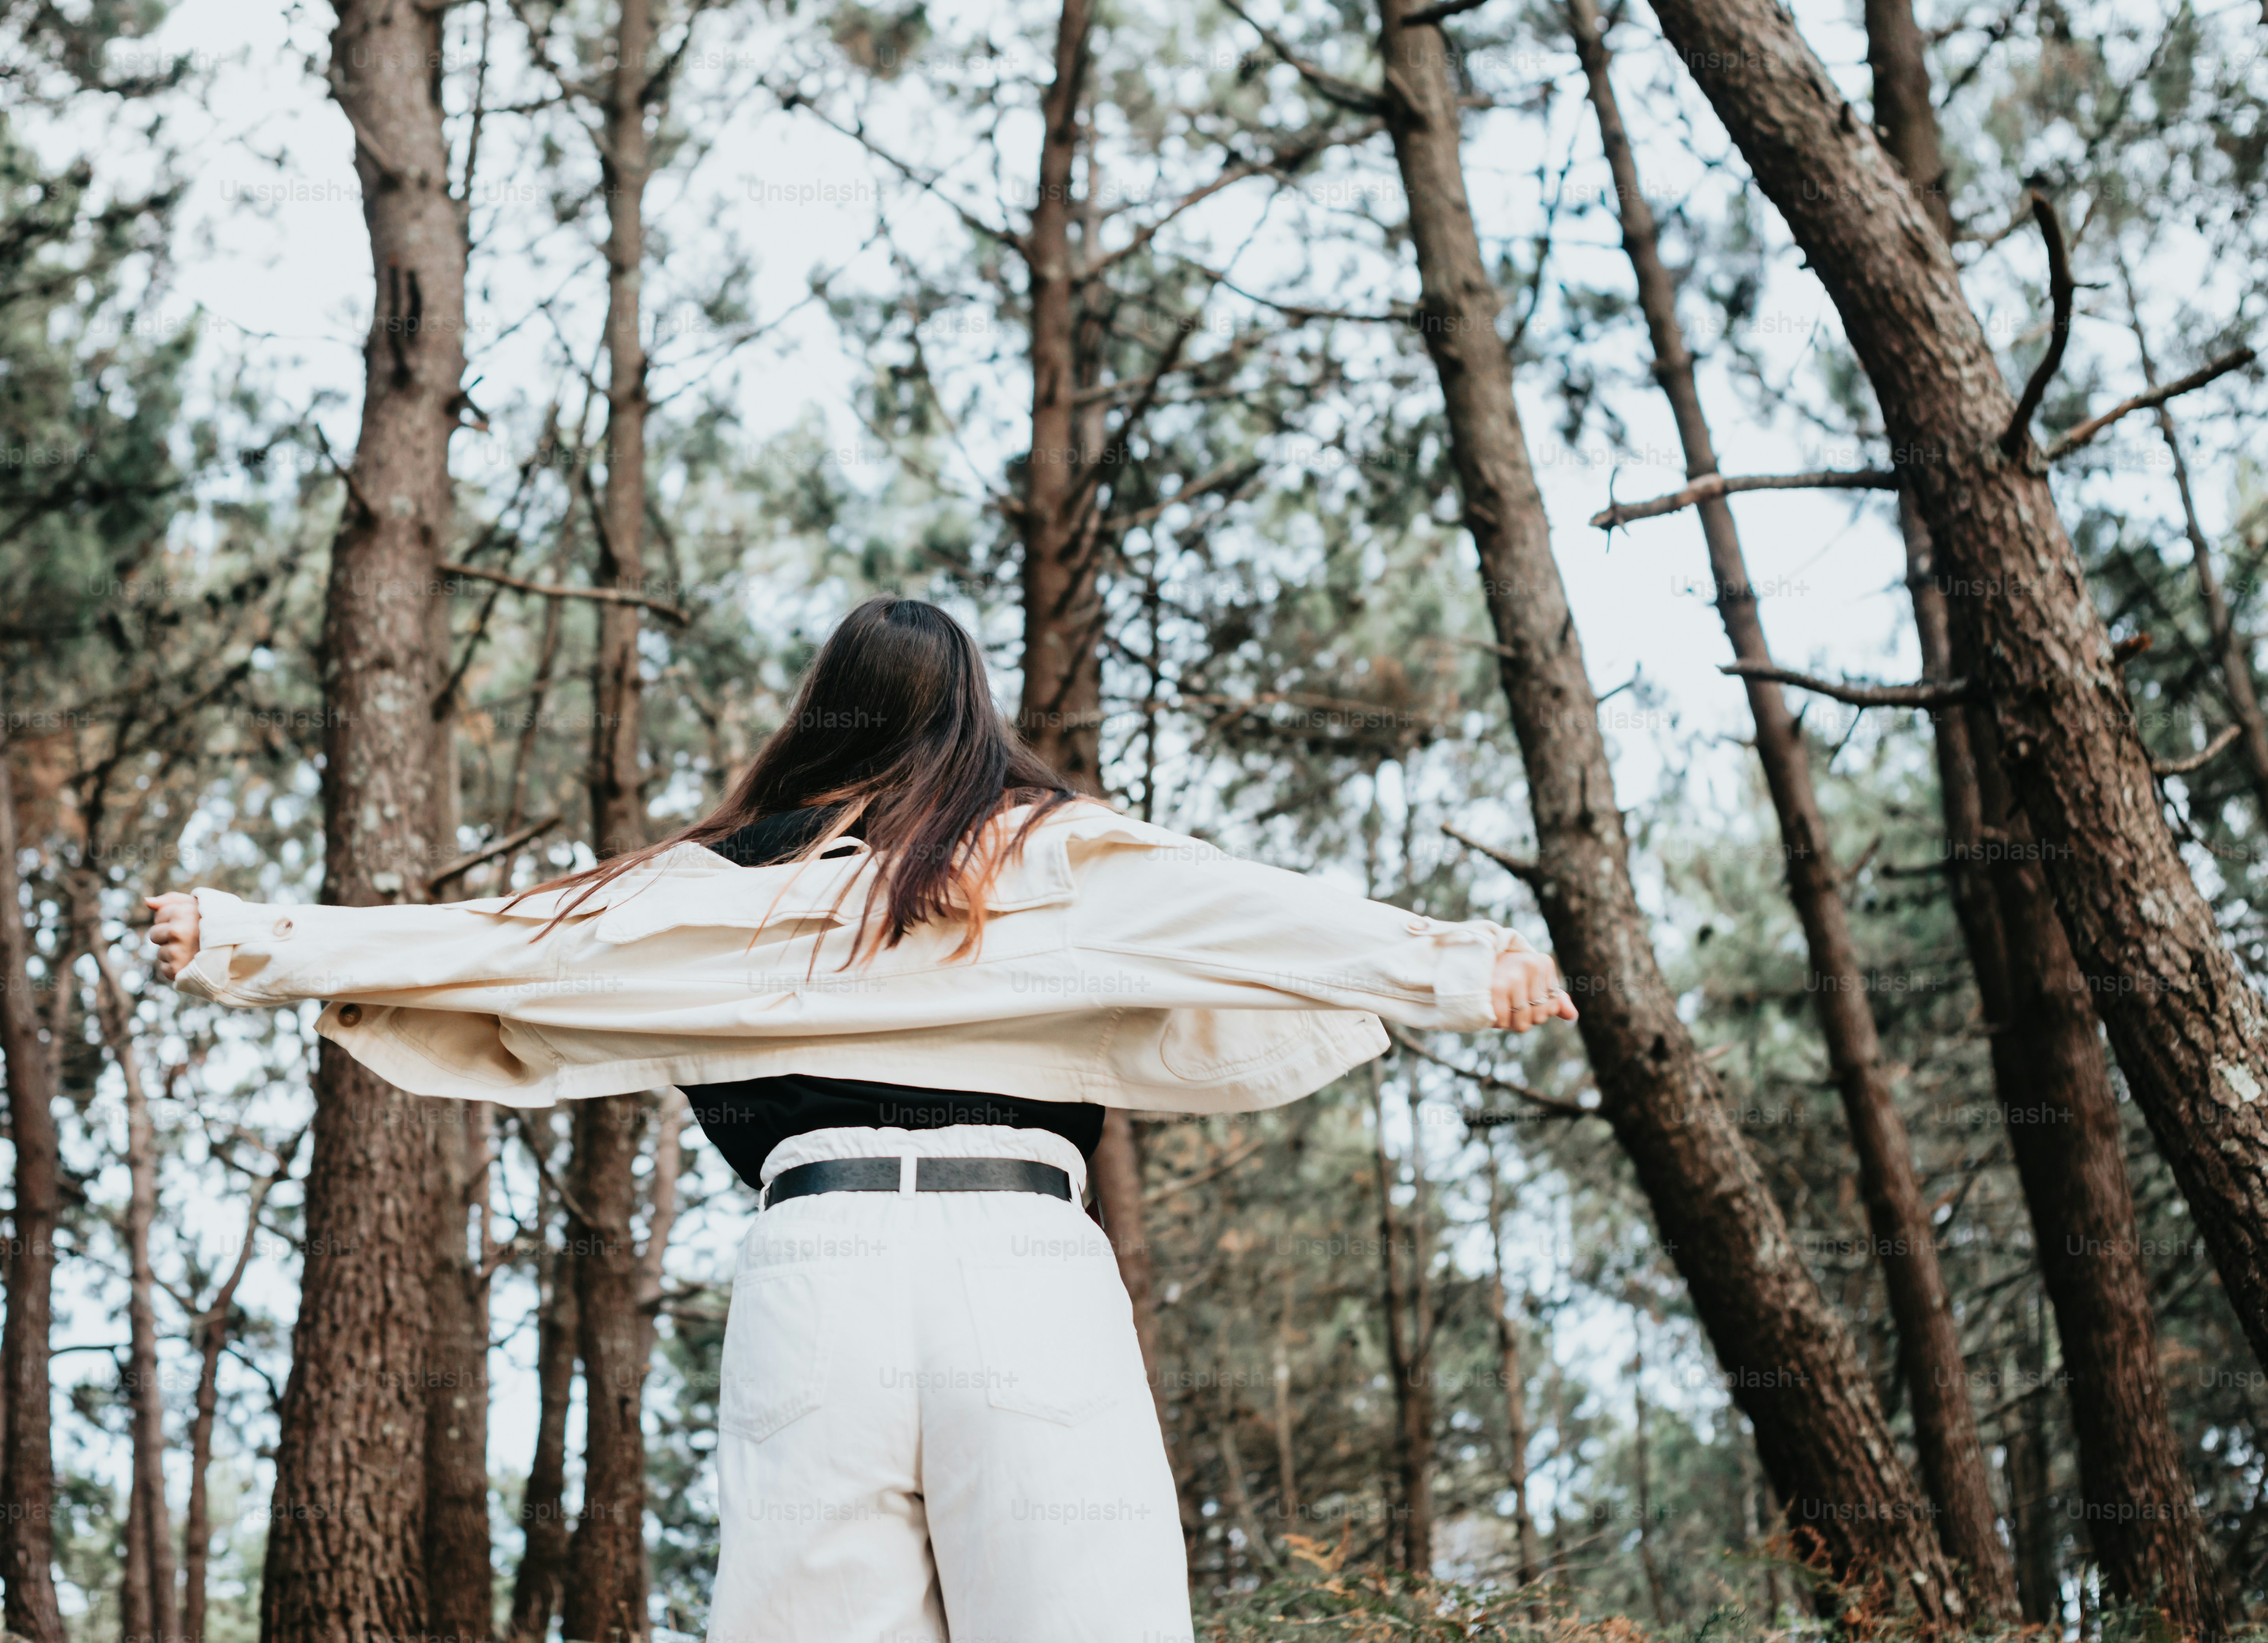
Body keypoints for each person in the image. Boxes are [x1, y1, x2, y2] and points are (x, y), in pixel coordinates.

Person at [147, 595, 1572, 1643]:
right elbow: (1254, 909)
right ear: (971, 715)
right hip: (1018, 1261)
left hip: (814, 1271)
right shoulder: (1050, 851)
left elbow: (498, 945)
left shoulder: (704, 892)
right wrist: (1467, 968)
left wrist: (250, 939)